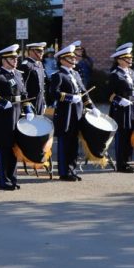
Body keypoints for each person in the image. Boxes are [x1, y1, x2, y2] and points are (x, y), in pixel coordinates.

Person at [0, 45, 33, 190]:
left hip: (17, 113)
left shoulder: (18, 74)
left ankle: (12, 178)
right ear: (4, 60)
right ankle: (3, 180)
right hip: (3, 115)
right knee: (4, 148)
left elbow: (24, 94)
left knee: (14, 148)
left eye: (16, 58)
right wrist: (1, 102)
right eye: (12, 58)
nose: (15, 61)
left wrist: (28, 108)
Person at [49, 44, 88, 181]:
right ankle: (64, 172)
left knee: (74, 144)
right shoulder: (58, 75)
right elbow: (54, 93)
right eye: (70, 58)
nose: (74, 59)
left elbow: (83, 92)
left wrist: (91, 106)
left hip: (77, 113)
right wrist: (70, 97)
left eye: (74, 57)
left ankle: (72, 170)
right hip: (65, 113)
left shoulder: (75, 74)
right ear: (62, 60)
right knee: (65, 143)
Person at [106, 46, 134, 173]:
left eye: (131, 57)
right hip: (121, 109)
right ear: (119, 60)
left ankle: (127, 162)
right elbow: (109, 94)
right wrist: (120, 100)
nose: (130, 60)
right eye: (127, 58)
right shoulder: (115, 74)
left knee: (130, 135)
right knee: (122, 136)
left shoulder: (131, 72)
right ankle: (121, 164)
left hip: (132, 107)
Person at [18, 41, 48, 110]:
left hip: (39, 101)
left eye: (42, 51)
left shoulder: (40, 64)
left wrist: (43, 101)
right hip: (30, 102)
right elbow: (22, 87)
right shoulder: (26, 65)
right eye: (39, 51)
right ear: (31, 51)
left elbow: (42, 87)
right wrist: (26, 104)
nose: (42, 53)